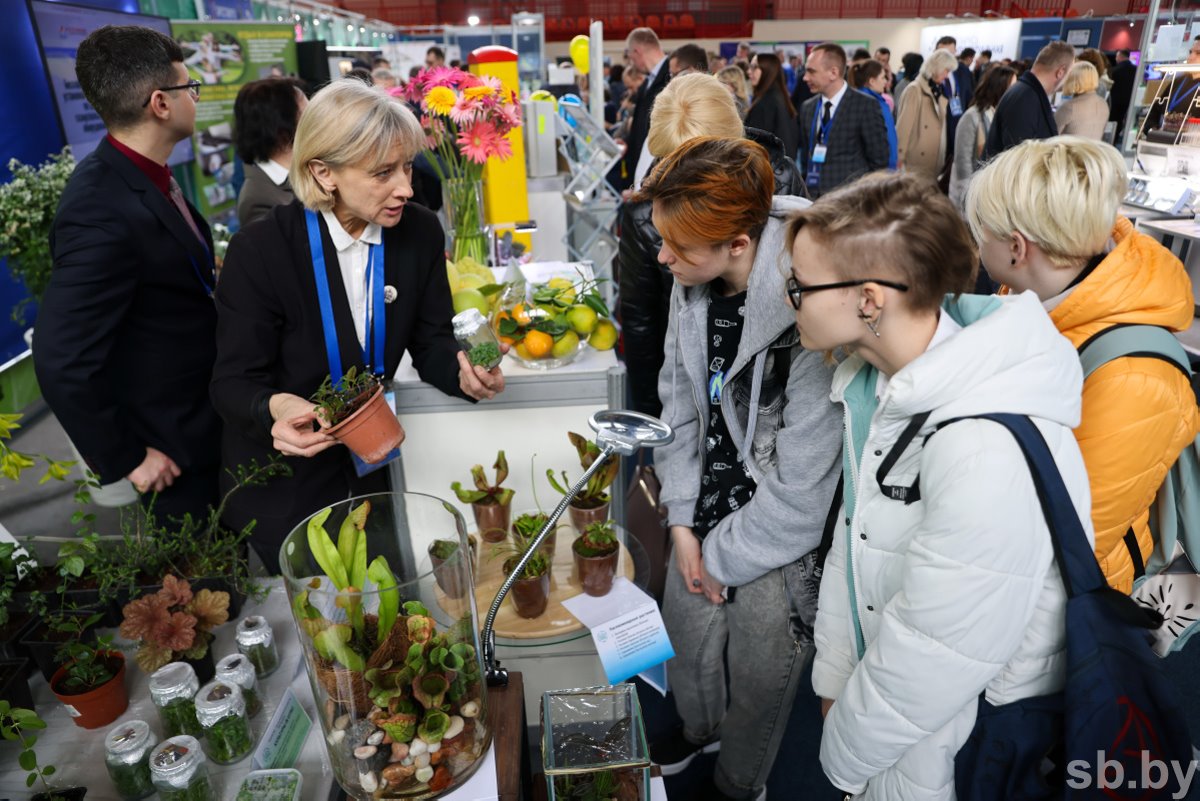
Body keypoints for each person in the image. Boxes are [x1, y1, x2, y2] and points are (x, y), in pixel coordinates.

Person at [797, 170, 1091, 799]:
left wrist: (842, 754)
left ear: (870, 299)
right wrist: (833, 681)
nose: (789, 298)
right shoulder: (874, 388)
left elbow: (939, 653)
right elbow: (857, 545)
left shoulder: (983, 444)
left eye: (801, 285)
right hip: (895, 729)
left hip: (952, 747)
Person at [210, 80, 505, 572]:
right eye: (383, 172)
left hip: (372, 476)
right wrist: (277, 408)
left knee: (387, 607)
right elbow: (232, 384)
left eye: (407, 166)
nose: (407, 189)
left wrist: (463, 374)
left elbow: (429, 340)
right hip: (287, 483)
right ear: (324, 173)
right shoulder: (262, 252)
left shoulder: (417, 231)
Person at [641, 136, 840, 801]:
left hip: (779, 521)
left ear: (737, 244)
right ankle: (700, 729)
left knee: (761, 665)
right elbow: (678, 407)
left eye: (679, 247)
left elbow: (802, 493)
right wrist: (681, 524)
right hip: (707, 501)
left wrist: (717, 559)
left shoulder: (811, 299)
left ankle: (739, 777)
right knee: (685, 633)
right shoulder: (689, 281)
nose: (663, 257)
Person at [965, 136, 1199, 594]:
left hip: (1073, 601)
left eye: (980, 233)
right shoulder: (1033, 296)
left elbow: (1071, 536)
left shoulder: (1135, 377)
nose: (976, 245)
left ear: (1017, 248)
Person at [34, 25, 222, 522]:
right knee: (208, 594)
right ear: (160, 103)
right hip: (173, 450)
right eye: (190, 88)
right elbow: (61, 358)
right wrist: (127, 459)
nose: (195, 99)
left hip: (206, 421)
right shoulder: (99, 206)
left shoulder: (142, 176)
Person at [619, 73, 804, 419]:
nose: (688, 184)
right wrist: (652, 421)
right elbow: (642, 320)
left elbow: (808, 276)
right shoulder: (645, 213)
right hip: (693, 384)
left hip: (783, 389)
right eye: (674, 162)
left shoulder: (784, 188)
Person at [797, 43, 890, 198]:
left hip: (851, 203)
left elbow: (879, 162)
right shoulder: (808, 108)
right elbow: (807, 157)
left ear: (833, 72)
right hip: (814, 201)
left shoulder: (865, 106)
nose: (805, 77)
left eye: (811, 71)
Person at [234, 77, 308, 229]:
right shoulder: (257, 201)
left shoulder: (311, 169)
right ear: (281, 128)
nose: (317, 122)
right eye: (307, 114)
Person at [985, 40, 1073, 157]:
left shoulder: (1027, 93)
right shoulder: (1025, 99)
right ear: (1060, 72)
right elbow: (1019, 160)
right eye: (1069, 73)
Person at [949, 64, 1016, 212]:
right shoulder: (972, 116)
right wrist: (968, 198)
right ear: (999, 87)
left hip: (988, 192)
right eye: (1012, 86)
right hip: (969, 194)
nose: (1016, 91)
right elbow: (963, 160)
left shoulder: (1004, 114)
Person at [895, 49, 955, 181]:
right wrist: (899, 158)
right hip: (915, 161)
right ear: (936, 68)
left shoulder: (938, 91)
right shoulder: (914, 90)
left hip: (934, 160)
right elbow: (903, 128)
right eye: (946, 70)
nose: (947, 75)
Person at [621, 27, 670, 190]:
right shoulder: (648, 82)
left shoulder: (671, 78)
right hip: (641, 177)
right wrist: (627, 141)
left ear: (637, 51)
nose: (631, 63)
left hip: (656, 179)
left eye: (630, 57)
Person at [746, 53, 799, 158]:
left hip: (769, 168)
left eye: (754, 67)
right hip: (783, 166)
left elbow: (756, 146)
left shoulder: (765, 103)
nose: (749, 71)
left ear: (768, 71)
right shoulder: (780, 96)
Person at [848, 59, 898, 169]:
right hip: (876, 172)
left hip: (885, 169)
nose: (886, 81)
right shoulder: (867, 104)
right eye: (883, 77)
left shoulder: (879, 101)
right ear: (872, 81)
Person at [935, 36, 974, 158]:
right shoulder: (929, 74)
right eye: (943, 54)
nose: (946, 59)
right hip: (937, 131)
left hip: (958, 128)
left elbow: (970, 98)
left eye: (950, 54)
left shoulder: (963, 71)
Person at [1055, 62, 1110, 140]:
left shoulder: (1069, 107)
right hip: (1093, 151)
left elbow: (1050, 137)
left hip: (1068, 151)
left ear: (1073, 79)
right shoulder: (1104, 104)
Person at [1109, 49, 1137, 144]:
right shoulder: (1136, 70)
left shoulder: (1114, 70)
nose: (1116, 59)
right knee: (1122, 122)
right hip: (1130, 101)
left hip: (1114, 101)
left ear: (1121, 57)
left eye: (1117, 56)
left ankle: (1112, 141)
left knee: (1113, 122)